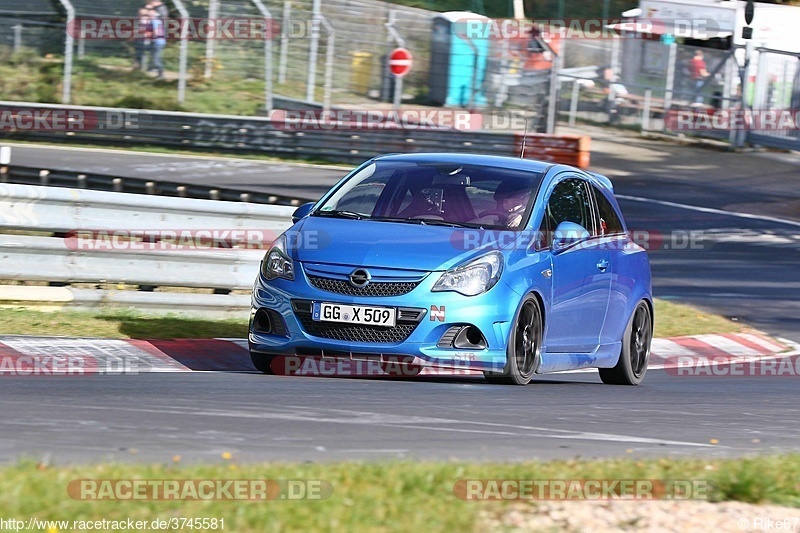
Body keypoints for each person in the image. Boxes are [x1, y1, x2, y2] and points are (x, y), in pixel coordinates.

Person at [146, 2, 167, 79]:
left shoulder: (154, 20)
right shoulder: (156, 20)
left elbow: (156, 32)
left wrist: (148, 36)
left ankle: (161, 74)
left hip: (157, 41)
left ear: (154, 12)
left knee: (156, 58)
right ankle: (152, 67)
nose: (148, 12)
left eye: (150, 10)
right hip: (159, 41)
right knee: (155, 56)